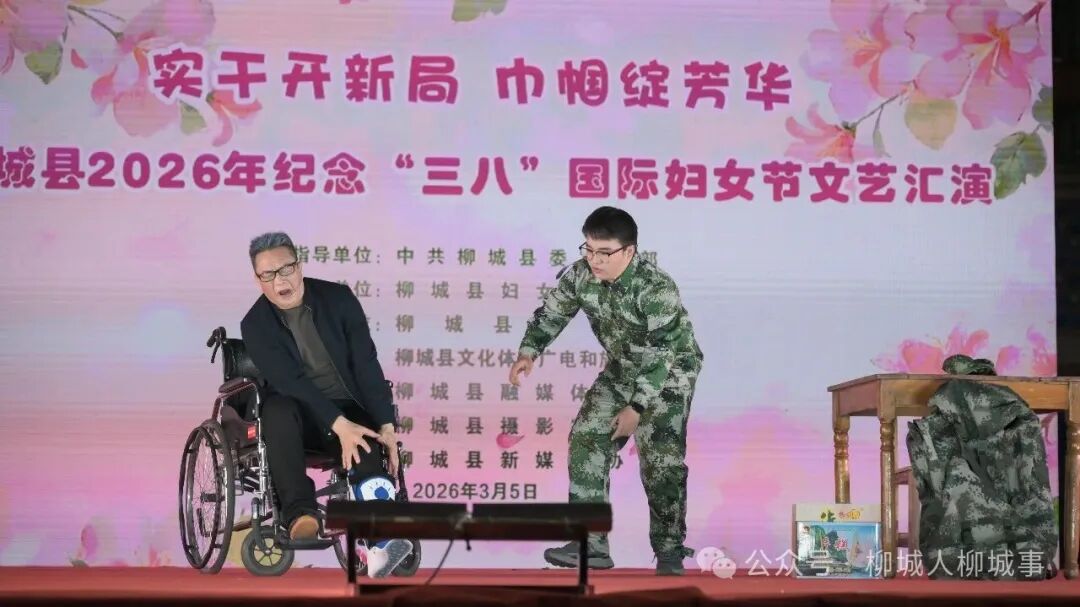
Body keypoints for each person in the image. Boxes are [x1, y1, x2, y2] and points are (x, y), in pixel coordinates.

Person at [509, 207, 703, 576]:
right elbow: (552, 313)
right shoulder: (581, 275)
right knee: (586, 439)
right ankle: (590, 545)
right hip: (622, 369)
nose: (594, 260)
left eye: (604, 252)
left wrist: (637, 408)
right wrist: (528, 352)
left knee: (661, 463)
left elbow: (662, 354)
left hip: (669, 373)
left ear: (628, 251)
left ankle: (669, 551)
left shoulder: (656, 288)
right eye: (588, 249)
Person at [240, 231, 412, 577]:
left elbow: (365, 362)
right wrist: (339, 424)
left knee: (367, 441)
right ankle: (300, 515)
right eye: (268, 275)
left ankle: (380, 543)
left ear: (299, 266)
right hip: (297, 417)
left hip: (347, 405)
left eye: (286, 269)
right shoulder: (255, 324)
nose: (279, 281)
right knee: (276, 410)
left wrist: (386, 426)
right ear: (258, 280)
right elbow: (291, 382)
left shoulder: (338, 299)